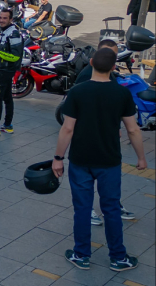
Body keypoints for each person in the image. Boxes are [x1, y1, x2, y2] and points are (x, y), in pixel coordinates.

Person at [56, 48, 147, 272]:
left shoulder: (78, 91)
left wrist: (58, 158)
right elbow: (133, 130)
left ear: (92, 63)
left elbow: (67, 129)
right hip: (109, 161)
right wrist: (141, 158)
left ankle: (81, 255)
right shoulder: (122, 94)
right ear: (114, 67)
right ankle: (118, 257)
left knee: (83, 209)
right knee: (111, 209)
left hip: (80, 160)